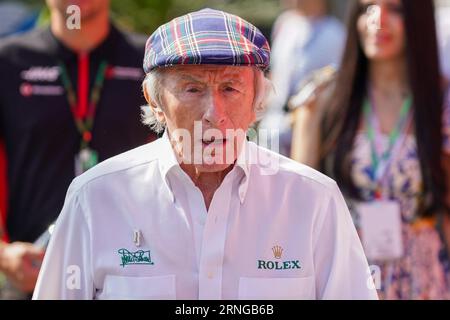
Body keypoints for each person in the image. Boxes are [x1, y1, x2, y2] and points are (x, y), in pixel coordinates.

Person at [32, 8, 377, 300]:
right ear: (154, 101)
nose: (214, 112)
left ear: (258, 100)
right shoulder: (95, 198)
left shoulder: (313, 199)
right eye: (192, 88)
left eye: (230, 88)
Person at [291, 0, 450, 299]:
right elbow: (300, 206)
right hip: (347, 275)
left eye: (396, 9)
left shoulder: (441, 102)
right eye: (367, 8)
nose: (378, 19)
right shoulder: (324, 99)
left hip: (424, 281)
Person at [0, 0, 154, 295]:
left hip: (134, 273)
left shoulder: (149, 61)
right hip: (34, 274)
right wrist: (3, 255)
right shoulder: (9, 61)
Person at [259, 0, 345, 156]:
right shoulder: (285, 25)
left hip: (304, 133)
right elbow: (276, 72)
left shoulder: (335, 34)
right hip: (272, 127)